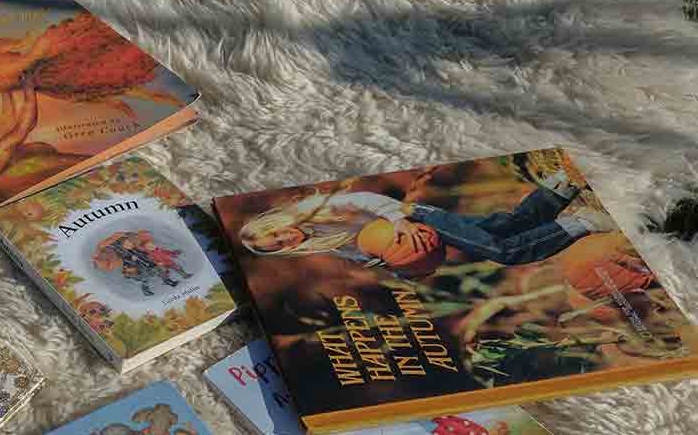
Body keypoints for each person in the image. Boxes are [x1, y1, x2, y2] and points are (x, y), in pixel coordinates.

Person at [239, 169, 615, 270]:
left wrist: (398, 223)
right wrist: (393, 263)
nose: (287, 240)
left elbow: (365, 200)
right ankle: (556, 191)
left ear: (275, 224)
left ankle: (580, 223)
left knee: (502, 252)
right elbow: (358, 250)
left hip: (414, 218)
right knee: (503, 227)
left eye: (278, 235)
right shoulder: (319, 243)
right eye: (280, 246)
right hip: (410, 231)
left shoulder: (313, 210)